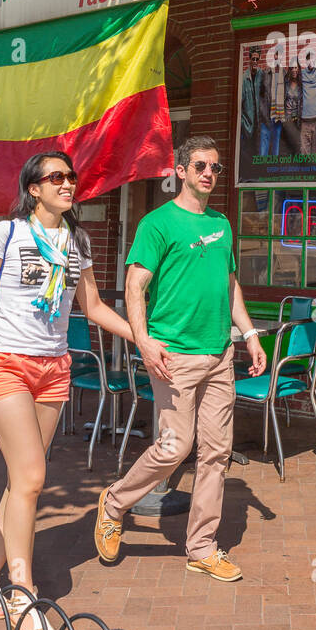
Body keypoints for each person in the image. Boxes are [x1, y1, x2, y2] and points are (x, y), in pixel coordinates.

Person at [0, 151, 132, 630]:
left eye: (71, 177)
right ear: (34, 188)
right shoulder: (5, 234)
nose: (68, 184)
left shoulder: (77, 241)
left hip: (54, 370)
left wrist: (140, 335)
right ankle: (21, 593)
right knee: (31, 476)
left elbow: (91, 306)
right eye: (56, 177)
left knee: (20, 482)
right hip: (5, 363)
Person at [94, 136, 267, 581]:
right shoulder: (158, 224)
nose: (209, 173)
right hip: (175, 356)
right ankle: (114, 502)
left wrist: (248, 334)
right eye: (201, 166)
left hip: (219, 354)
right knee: (176, 448)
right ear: (182, 171)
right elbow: (134, 286)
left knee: (216, 453)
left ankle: (202, 547)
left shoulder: (223, 225)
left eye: (215, 167)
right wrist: (143, 341)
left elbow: (230, 287)